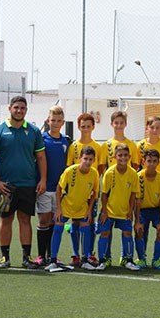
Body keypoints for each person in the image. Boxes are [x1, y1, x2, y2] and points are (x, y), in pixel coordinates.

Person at [0, 96, 47, 269]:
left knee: (25, 220)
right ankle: (4, 257)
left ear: (26, 110)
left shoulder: (34, 131)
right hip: (6, 186)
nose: (19, 111)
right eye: (16, 107)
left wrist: (42, 179)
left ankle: (26, 258)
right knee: (6, 220)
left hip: (28, 184)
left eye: (22, 108)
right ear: (10, 109)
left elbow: (41, 157)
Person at [45, 146, 99, 271]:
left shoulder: (94, 173)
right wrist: (58, 208)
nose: (87, 162)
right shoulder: (70, 171)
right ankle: (53, 260)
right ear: (80, 158)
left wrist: (89, 210)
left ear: (94, 160)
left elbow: (94, 193)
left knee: (86, 229)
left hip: (82, 207)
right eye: (85, 158)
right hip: (66, 206)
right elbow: (59, 188)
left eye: (90, 159)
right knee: (58, 228)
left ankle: (85, 260)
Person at [34, 105, 69, 267]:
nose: (55, 123)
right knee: (44, 220)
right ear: (48, 121)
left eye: (59, 121)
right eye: (53, 120)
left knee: (56, 221)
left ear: (63, 122)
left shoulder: (66, 141)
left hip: (59, 189)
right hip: (45, 187)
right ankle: (41, 255)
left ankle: (53, 256)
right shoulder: (41, 139)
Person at [97, 144, 141, 271]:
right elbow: (104, 194)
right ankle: (103, 260)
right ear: (115, 156)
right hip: (109, 211)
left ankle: (128, 260)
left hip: (124, 211)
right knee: (105, 233)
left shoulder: (133, 174)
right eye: (120, 155)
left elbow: (133, 194)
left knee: (127, 233)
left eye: (125, 155)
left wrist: (130, 210)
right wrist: (104, 212)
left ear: (129, 157)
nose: (123, 158)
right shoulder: (109, 173)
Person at [67, 112, 102, 267]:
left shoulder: (98, 147)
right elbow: (69, 168)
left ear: (93, 127)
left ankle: (88, 254)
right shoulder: (73, 146)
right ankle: (75, 254)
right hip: (75, 192)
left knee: (89, 220)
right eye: (83, 126)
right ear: (79, 127)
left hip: (91, 191)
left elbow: (100, 169)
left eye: (88, 126)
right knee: (75, 221)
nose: (86, 129)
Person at [134, 149, 160, 270]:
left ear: (158, 162)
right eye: (149, 161)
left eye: (154, 161)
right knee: (139, 231)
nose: (152, 164)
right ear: (144, 161)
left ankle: (156, 259)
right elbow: (137, 200)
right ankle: (141, 259)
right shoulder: (138, 177)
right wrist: (137, 221)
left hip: (156, 211)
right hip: (142, 211)